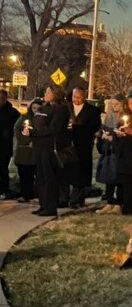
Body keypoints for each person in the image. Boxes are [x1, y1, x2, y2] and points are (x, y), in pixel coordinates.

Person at [27, 86, 70, 216]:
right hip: (39, 146)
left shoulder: (61, 109)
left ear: (55, 94)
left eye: (48, 92)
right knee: (40, 176)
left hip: (50, 147)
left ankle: (50, 207)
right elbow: (36, 122)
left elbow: (54, 128)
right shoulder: (43, 107)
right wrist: (29, 130)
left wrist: (36, 132)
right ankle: (43, 204)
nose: (45, 94)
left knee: (49, 176)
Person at [68, 86, 101, 207]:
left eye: (79, 97)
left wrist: (77, 128)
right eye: (74, 97)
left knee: (81, 172)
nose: (76, 99)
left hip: (84, 146)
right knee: (69, 171)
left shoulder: (92, 111)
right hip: (68, 145)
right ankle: (68, 196)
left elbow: (94, 127)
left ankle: (78, 198)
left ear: (84, 97)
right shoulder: (67, 108)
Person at [96, 95, 126, 214]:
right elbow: (103, 128)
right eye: (112, 104)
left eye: (117, 104)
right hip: (108, 150)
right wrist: (101, 135)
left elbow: (123, 133)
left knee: (118, 176)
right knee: (108, 176)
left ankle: (119, 203)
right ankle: (109, 202)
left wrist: (112, 137)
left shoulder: (123, 118)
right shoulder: (109, 117)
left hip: (118, 151)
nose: (114, 107)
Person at [12, 99, 42, 202]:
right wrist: (26, 140)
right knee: (24, 173)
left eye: (38, 108)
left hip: (36, 151)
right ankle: (25, 194)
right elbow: (17, 129)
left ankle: (35, 194)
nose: (36, 110)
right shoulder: (25, 118)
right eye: (34, 108)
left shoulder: (42, 119)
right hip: (24, 151)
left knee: (36, 173)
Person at [0, 89, 21, 199]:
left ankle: (4, 189)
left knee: (3, 167)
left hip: (5, 145)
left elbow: (18, 127)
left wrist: (8, 133)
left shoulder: (12, 112)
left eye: (2, 98)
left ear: (5, 99)